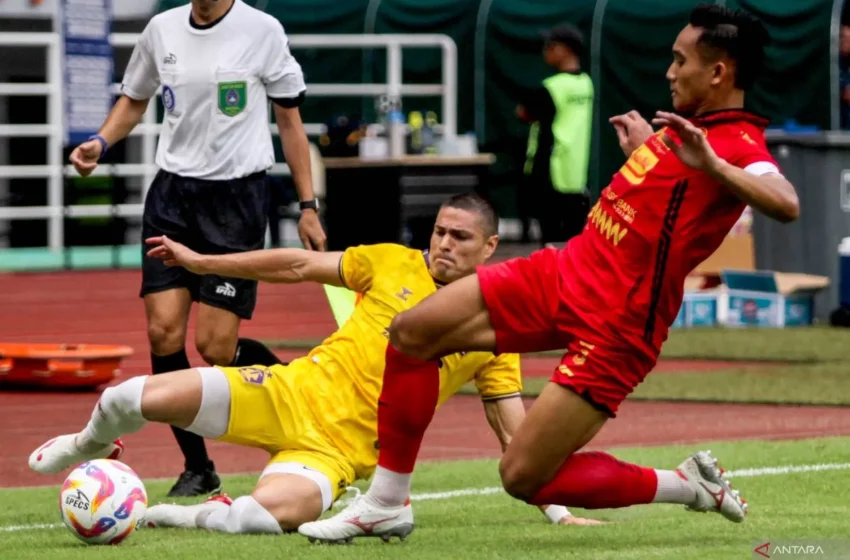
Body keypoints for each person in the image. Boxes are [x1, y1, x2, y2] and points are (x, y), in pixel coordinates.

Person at [298, 4, 801, 543]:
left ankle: (686, 485)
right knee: (412, 332)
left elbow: (786, 201)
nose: (669, 72)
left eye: (680, 61)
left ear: (719, 72)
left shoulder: (737, 144)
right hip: (566, 271)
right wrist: (643, 153)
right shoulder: (684, 131)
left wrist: (716, 166)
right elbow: (664, 199)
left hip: (618, 322)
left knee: (523, 476)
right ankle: (386, 504)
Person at [28, 194, 601, 535]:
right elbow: (299, 264)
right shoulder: (390, 262)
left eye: (460, 237)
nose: (444, 244)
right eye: (439, 232)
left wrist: (557, 511)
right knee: (125, 398)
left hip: (335, 454)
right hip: (285, 391)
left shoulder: (493, 330)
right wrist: (203, 262)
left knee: (257, 520)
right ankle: (88, 445)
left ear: (491, 246)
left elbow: (513, 431)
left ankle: (171, 516)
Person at [68, 0, 327, 497]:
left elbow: (290, 124)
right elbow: (135, 98)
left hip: (237, 200)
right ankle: (198, 467)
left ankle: (311, 404)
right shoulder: (160, 29)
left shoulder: (262, 30)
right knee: (163, 332)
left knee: (214, 348)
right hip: (172, 197)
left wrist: (308, 205)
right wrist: (101, 141)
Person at [517, 24, 594, 247]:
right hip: (575, 174)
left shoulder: (552, 87)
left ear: (567, 50)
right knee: (574, 243)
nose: (546, 50)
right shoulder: (586, 84)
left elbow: (523, 112)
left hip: (550, 172)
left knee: (550, 242)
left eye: (551, 46)